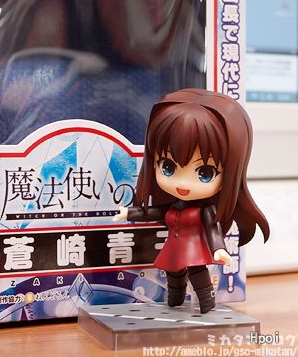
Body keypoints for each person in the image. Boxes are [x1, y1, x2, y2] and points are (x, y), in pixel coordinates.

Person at [114, 88, 269, 313]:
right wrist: (129, 213)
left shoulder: (205, 210)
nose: (183, 184)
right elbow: (155, 212)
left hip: (195, 250)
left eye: (204, 173)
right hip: (174, 247)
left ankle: (207, 303)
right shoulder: (173, 206)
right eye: (168, 167)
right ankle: (175, 300)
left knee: (198, 273)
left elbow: (213, 229)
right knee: (173, 273)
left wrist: (219, 249)